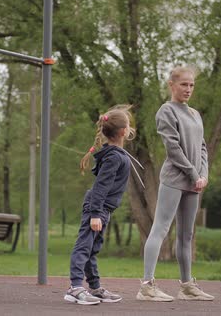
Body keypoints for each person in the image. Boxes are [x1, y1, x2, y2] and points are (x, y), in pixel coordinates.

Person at [136, 66, 214, 302]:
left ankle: (187, 286)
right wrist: (193, 173)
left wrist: (204, 174)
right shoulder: (166, 111)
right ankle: (147, 287)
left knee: (186, 235)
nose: (188, 89)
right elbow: (173, 148)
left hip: (195, 182)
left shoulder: (195, 114)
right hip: (174, 179)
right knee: (160, 229)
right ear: (172, 85)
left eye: (191, 85)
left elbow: (202, 147)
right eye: (183, 84)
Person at [64, 105, 143, 305]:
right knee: (84, 246)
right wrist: (95, 214)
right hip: (97, 208)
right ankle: (75, 288)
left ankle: (95, 287)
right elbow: (100, 187)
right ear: (124, 131)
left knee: (92, 249)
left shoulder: (114, 154)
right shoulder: (114, 157)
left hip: (103, 209)